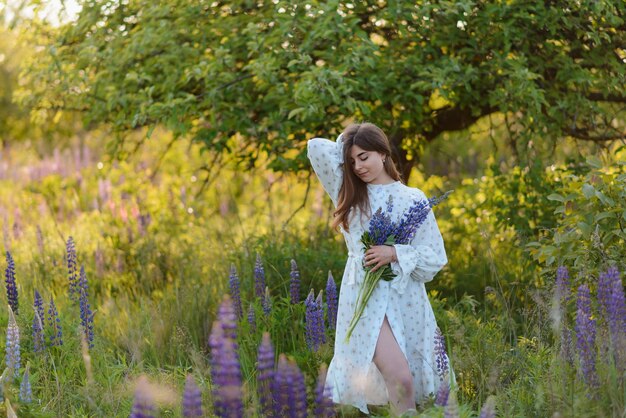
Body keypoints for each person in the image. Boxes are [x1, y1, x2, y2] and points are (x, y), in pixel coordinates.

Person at [307, 122, 451, 416]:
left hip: (405, 299)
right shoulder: (348, 193)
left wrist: (394, 253)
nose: (358, 167)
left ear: (383, 154)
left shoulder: (414, 198)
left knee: (409, 385)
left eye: (364, 157)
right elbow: (315, 147)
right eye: (351, 161)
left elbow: (435, 256)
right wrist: (350, 138)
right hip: (364, 298)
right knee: (400, 379)